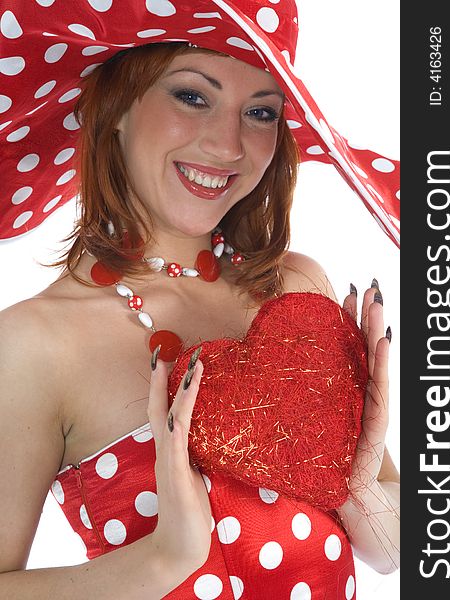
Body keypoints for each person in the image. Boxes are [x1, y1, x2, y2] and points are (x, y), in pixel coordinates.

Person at [0, 1, 400, 598]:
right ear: (112, 107)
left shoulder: (297, 293)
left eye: (261, 111)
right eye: (192, 96)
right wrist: (164, 561)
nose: (228, 145)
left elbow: (391, 553)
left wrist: (362, 487)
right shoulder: (34, 344)